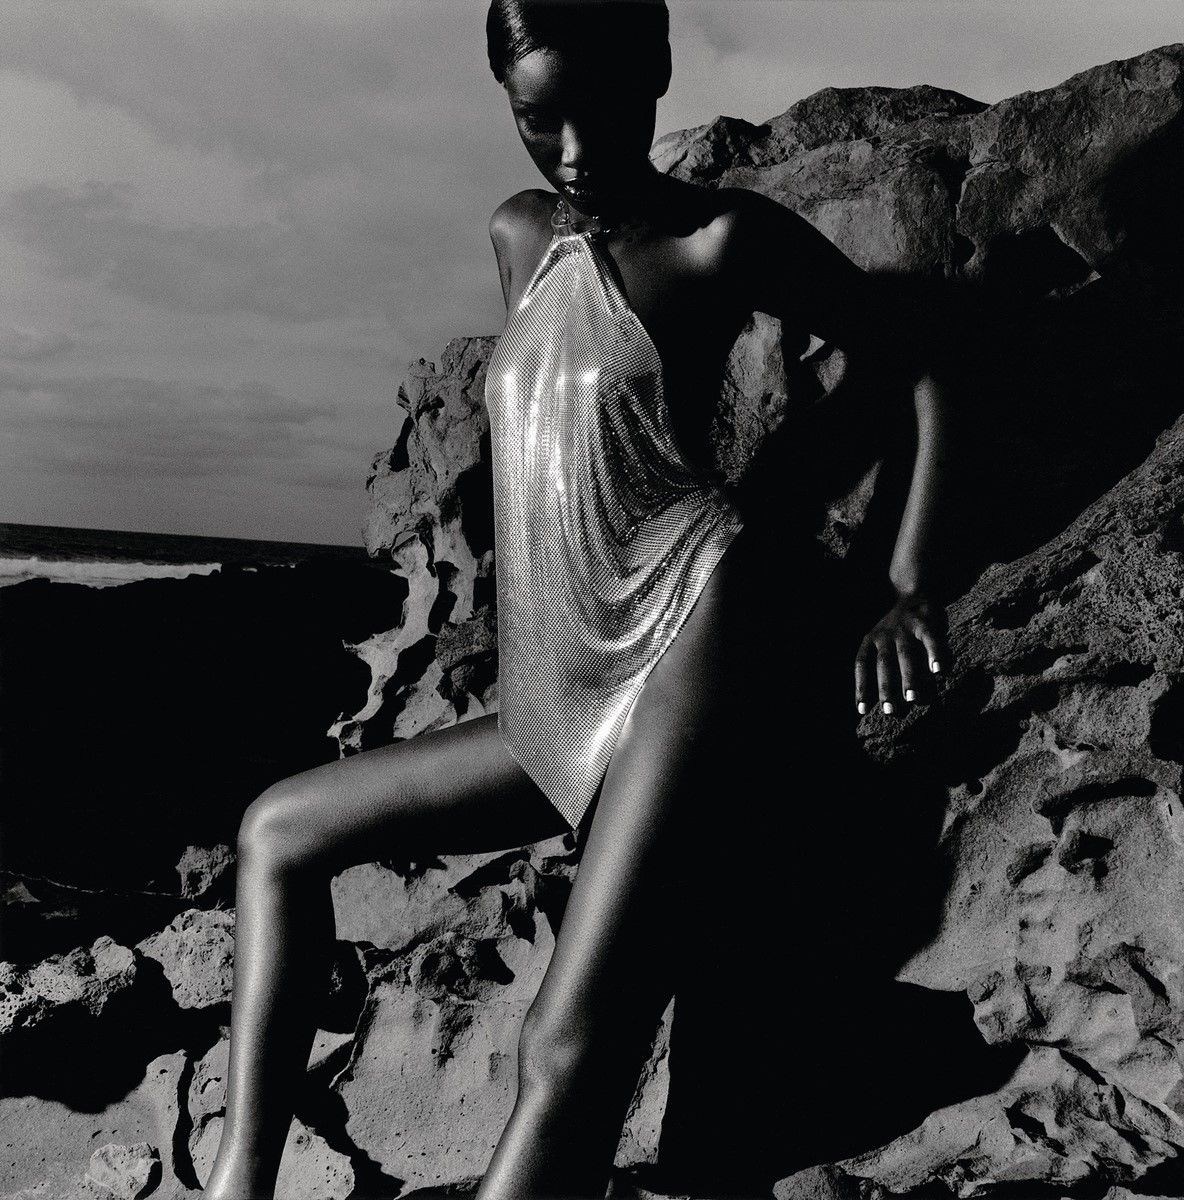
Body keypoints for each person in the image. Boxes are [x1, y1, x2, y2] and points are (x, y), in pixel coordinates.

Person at [203, 2, 950, 1197]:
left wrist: (901, 585)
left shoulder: (716, 238)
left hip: (690, 627)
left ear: (651, 76)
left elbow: (911, 357)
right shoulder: (518, 236)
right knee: (276, 833)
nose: (571, 152)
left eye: (595, 113)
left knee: (563, 1041)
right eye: (535, 120)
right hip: (553, 688)